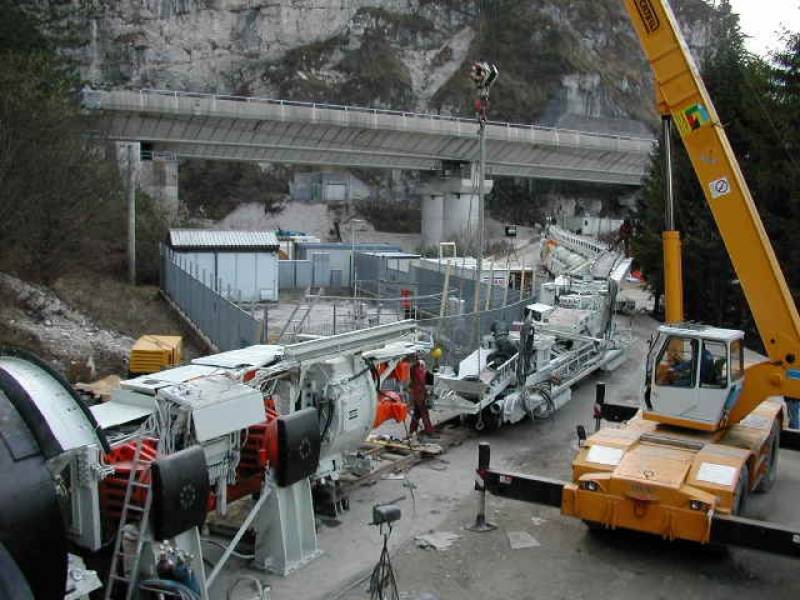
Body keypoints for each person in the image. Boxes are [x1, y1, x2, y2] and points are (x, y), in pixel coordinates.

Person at [409, 356, 434, 436]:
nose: (423, 366)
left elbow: (431, 381)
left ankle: (412, 431)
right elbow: (414, 366)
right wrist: (417, 359)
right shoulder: (415, 370)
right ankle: (429, 432)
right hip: (420, 396)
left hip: (420, 396)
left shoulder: (424, 372)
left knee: (416, 414)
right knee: (424, 414)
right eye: (422, 365)